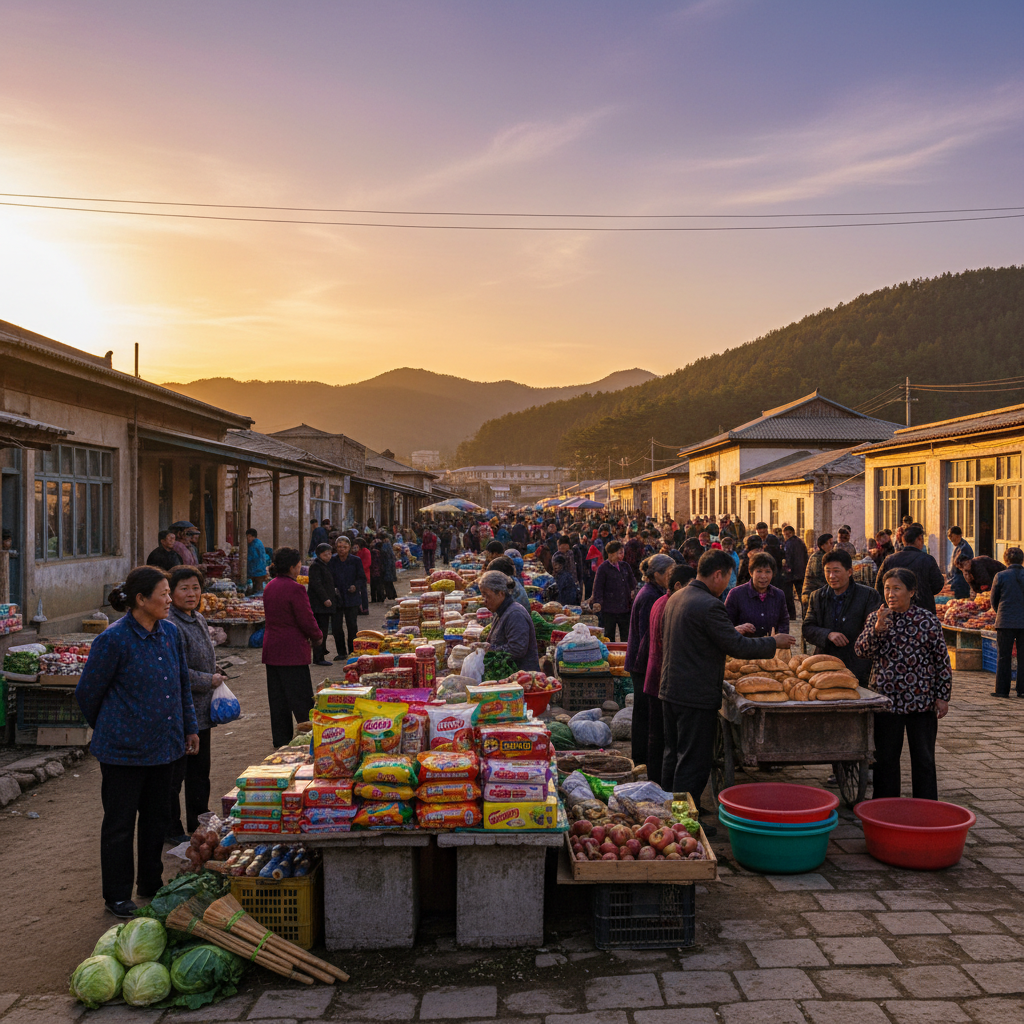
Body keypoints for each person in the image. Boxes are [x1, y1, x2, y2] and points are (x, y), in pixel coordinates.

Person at [76, 566, 199, 917]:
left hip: (167, 746)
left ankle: (150, 882)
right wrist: (113, 727)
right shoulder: (113, 639)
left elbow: (182, 686)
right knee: (119, 824)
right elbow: (88, 693)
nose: (168, 599)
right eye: (163, 593)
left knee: (156, 819)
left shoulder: (171, 633)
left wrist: (189, 727)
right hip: (123, 753)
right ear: (141, 600)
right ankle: (116, 895)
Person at [660, 550, 794, 812]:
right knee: (693, 759)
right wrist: (772, 642)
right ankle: (685, 818)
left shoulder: (678, 596)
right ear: (718, 574)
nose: (728, 584)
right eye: (728, 577)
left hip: (671, 688)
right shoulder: (710, 604)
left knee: (673, 754)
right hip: (694, 694)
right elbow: (736, 646)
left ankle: (671, 811)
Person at [854, 567, 951, 799]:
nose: (890, 594)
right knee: (886, 759)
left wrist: (942, 695)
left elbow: (941, 660)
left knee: (924, 759)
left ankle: (926, 807)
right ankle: (885, 808)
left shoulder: (927, 620)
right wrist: (877, 630)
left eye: (897, 588)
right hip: (886, 701)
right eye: (887, 589)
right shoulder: (877, 618)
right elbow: (861, 651)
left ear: (912, 592)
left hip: (921, 701)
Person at [166, 566, 222, 842]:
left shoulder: (197, 617)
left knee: (200, 771)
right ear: (170, 592)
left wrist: (215, 671)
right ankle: (171, 828)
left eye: (196, 588)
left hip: (202, 709)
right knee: (176, 774)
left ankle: (199, 818)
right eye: (184, 588)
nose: (192, 594)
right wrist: (207, 679)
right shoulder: (170, 624)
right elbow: (175, 671)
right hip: (180, 710)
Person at [261, 547, 322, 749]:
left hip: (272, 648)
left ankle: (281, 740)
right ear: (292, 566)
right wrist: (317, 636)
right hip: (292, 650)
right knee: (301, 698)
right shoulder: (295, 588)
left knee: (278, 699)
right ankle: (309, 737)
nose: (300, 568)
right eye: (298, 565)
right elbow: (306, 618)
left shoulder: (270, 586)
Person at [644, 563, 696, 787]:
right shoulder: (672, 604)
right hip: (664, 678)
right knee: (667, 741)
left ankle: (657, 782)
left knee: (659, 737)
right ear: (678, 585)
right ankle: (663, 786)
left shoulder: (660, 601)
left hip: (656, 675)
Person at [802, 548, 882, 685]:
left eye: (836, 571)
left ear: (849, 572)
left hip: (856, 666)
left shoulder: (868, 596)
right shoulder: (817, 596)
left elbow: (872, 632)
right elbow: (807, 628)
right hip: (824, 664)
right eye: (828, 571)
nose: (832, 576)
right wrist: (828, 634)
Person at [626, 553, 675, 773]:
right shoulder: (649, 596)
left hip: (642, 661)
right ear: (657, 575)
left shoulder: (653, 592)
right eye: (669, 573)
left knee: (643, 712)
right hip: (642, 663)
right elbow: (648, 636)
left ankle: (642, 756)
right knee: (644, 713)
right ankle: (641, 757)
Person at [479, 568, 541, 671]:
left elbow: (517, 649)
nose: (484, 601)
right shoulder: (501, 611)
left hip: (521, 677)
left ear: (501, 594)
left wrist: (489, 650)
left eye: (487, 596)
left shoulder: (515, 614)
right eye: (482, 596)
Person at [874, 524, 944, 614]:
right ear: (919, 538)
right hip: (923, 611)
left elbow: (879, 586)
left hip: (896, 611)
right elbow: (937, 585)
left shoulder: (889, 559)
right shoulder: (927, 559)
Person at [725, 552, 789, 637]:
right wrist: (738, 629)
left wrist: (780, 636)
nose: (763, 576)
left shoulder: (778, 595)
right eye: (759, 571)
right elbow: (725, 624)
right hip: (743, 647)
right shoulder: (736, 594)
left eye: (768, 572)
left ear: (773, 574)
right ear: (751, 572)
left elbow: (784, 622)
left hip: (771, 648)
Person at [989, 546, 1024, 698]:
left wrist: (1001, 612)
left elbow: (994, 600)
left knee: (1004, 656)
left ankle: (1002, 690)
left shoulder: (1001, 576)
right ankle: (1022, 689)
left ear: (1006, 560)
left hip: (1005, 621)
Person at [592, 540, 637, 642]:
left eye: (623, 552)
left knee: (626, 635)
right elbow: (598, 587)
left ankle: (625, 657)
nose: (622, 555)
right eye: (619, 552)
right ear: (611, 554)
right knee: (609, 636)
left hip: (625, 608)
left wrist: (633, 591)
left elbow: (632, 583)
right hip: (609, 609)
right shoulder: (603, 568)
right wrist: (598, 602)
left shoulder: (625, 566)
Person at [329, 536, 365, 658]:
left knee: (352, 625)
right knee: (336, 626)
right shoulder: (332, 561)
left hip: (351, 597)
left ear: (349, 547)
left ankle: (352, 650)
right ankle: (341, 652)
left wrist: (356, 586)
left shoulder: (355, 561)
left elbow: (361, 578)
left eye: (344, 547)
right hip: (337, 598)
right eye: (339, 547)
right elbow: (328, 578)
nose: (341, 549)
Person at [307, 542, 339, 665]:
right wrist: (325, 598)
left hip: (325, 603)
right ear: (320, 555)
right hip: (319, 604)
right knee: (321, 630)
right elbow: (317, 585)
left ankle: (321, 653)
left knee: (324, 630)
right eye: (326, 554)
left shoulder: (325, 565)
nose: (329, 556)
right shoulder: (316, 566)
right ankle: (318, 657)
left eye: (330, 553)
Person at [781, 524, 808, 620]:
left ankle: (792, 615)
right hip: (801, 572)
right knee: (802, 595)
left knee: (789, 595)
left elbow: (788, 558)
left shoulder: (788, 544)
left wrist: (786, 569)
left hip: (791, 573)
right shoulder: (801, 542)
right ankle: (806, 614)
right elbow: (806, 556)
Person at [802, 533, 835, 608]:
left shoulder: (824, 556)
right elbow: (819, 576)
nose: (832, 545)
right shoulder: (817, 557)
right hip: (812, 595)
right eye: (830, 543)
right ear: (823, 546)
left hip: (818, 594)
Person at [245, 528, 269, 594]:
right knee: (258, 588)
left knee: (257, 590)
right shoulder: (259, 542)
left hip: (256, 570)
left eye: (250, 536)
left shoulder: (253, 545)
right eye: (247, 536)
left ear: (254, 536)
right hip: (260, 570)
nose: (248, 538)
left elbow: (252, 557)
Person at [380, 533, 399, 600]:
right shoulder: (388, 544)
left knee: (387, 582)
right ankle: (392, 595)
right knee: (389, 582)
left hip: (387, 566)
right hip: (390, 565)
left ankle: (390, 595)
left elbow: (385, 555)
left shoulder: (385, 546)